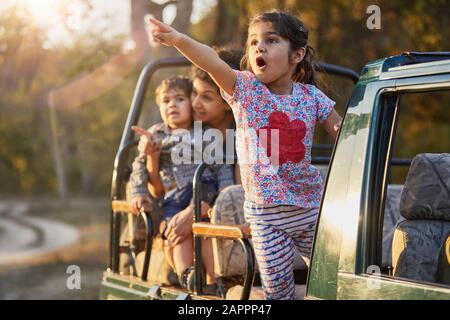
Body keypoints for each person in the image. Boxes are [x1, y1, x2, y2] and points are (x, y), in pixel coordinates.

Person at [147, 10, 342, 300]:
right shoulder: (245, 89)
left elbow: (343, 133)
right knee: (279, 294)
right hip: (266, 217)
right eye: (253, 42)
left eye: (271, 40)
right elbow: (209, 60)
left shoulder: (312, 97)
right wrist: (178, 40)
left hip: (310, 208)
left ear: (297, 54)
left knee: (332, 286)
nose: (258, 48)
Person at [129, 76, 234, 293]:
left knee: (205, 232)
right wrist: (139, 192)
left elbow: (222, 165)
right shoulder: (156, 134)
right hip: (174, 197)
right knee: (177, 233)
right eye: (166, 101)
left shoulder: (205, 133)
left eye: (179, 99)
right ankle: (188, 274)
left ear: (190, 104)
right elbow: (139, 166)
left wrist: (225, 190)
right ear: (159, 106)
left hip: (203, 191)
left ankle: (215, 282)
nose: (172, 105)